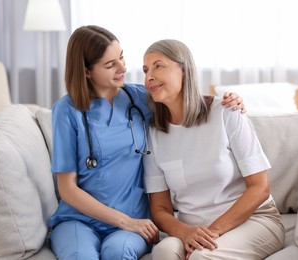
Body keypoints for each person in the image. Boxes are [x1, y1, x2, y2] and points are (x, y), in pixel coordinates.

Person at [47, 25, 246, 260]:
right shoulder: (66, 111)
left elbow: (183, 98)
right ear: (87, 71)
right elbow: (67, 189)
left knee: (118, 254)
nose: (123, 68)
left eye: (121, 57)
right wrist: (124, 221)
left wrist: (230, 100)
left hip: (135, 219)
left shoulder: (140, 98)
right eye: (110, 65)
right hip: (80, 219)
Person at [142, 39, 285, 260]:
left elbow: (260, 187)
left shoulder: (226, 112)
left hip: (253, 221)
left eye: (158, 66)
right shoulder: (153, 132)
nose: (149, 76)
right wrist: (185, 232)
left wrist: (212, 233)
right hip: (192, 228)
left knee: (201, 256)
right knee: (163, 253)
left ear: (185, 70)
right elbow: (160, 208)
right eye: (145, 70)